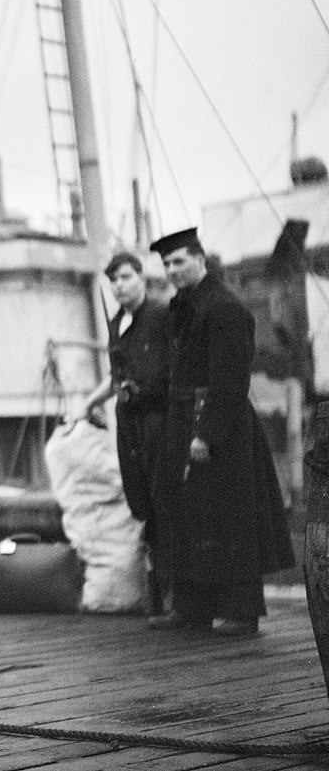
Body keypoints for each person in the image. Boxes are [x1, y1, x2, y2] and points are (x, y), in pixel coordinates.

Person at [147, 226, 294, 636]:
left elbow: (231, 379)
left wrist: (206, 435)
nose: (172, 270)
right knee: (187, 514)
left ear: (199, 259)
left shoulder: (223, 307)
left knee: (229, 518)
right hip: (183, 418)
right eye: (166, 264)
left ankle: (242, 612)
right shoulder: (183, 306)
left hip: (219, 425)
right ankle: (192, 608)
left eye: (179, 261)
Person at [73, 252, 172, 616]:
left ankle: (172, 599)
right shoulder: (117, 323)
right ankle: (157, 597)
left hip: (158, 421)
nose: (119, 286)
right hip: (130, 424)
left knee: (165, 503)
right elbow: (116, 377)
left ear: (141, 278)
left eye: (126, 277)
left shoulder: (161, 316)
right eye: (114, 280)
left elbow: (170, 372)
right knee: (141, 502)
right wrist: (87, 403)